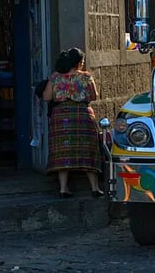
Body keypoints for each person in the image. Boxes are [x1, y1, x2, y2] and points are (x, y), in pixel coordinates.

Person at [42, 48, 103, 198]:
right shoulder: (86, 77)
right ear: (78, 63)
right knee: (88, 149)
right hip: (82, 115)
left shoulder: (55, 78)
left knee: (63, 152)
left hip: (61, 118)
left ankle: (63, 189)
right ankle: (95, 188)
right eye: (82, 61)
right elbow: (94, 96)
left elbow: (46, 97)